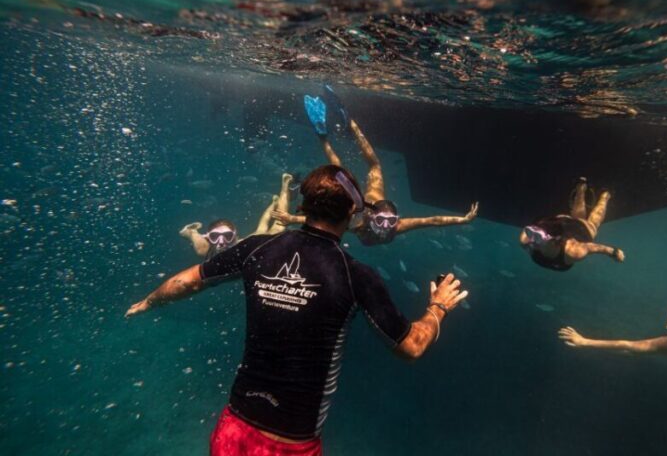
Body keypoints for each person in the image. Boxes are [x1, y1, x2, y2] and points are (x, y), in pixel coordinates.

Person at [125, 164, 469, 455]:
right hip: (289, 446)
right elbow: (411, 346)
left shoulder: (257, 248)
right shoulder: (356, 276)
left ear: (303, 206)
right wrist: (438, 306)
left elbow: (186, 281)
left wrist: (150, 301)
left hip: (232, 433)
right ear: (351, 213)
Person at [273, 94, 479, 246]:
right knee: (345, 171)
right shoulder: (355, 221)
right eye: (382, 220)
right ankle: (346, 125)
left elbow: (432, 221)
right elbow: (322, 221)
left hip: (372, 202)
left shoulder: (393, 227)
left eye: (390, 222)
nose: (386, 226)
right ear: (373, 217)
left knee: (342, 170)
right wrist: (292, 220)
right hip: (363, 203)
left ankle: (327, 132)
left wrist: (464, 220)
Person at [519, 177, 624, 271]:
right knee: (584, 221)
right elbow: (591, 247)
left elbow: (594, 248)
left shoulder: (572, 252)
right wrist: (613, 252)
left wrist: (613, 252)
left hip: (566, 225)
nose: (533, 241)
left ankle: (601, 194)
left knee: (590, 223)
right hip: (567, 226)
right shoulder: (573, 252)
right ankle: (587, 190)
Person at [179, 173, 294, 258]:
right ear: (208, 237)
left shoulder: (247, 246)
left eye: (227, 236)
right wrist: (192, 234)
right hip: (212, 250)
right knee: (199, 246)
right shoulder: (204, 249)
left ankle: (283, 190)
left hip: (245, 249)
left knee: (277, 227)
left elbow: (263, 226)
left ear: (236, 237)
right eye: (215, 236)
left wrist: (283, 193)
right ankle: (191, 231)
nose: (221, 241)